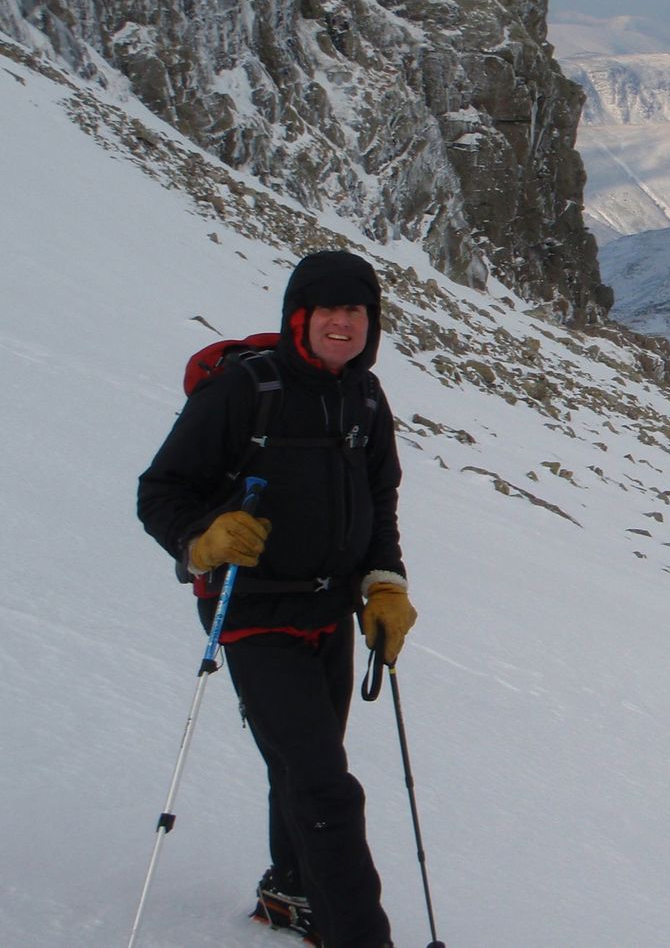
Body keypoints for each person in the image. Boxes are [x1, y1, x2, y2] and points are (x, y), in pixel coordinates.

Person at [139, 250, 418, 948]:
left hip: (329, 613)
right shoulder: (243, 391)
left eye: (356, 311)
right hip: (254, 614)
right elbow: (160, 491)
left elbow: (378, 500)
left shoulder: (365, 396)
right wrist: (201, 540)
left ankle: (293, 887)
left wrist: (385, 583)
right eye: (327, 310)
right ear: (299, 317)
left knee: (304, 761)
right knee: (325, 784)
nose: (342, 323)